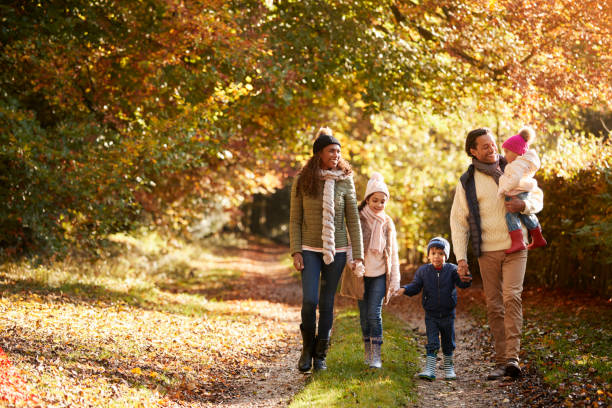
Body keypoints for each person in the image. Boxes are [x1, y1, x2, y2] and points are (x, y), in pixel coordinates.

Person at [450, 127, 543, 379]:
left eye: (493, 144)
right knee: (494, 306)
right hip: (487, 251)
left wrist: (524, 204)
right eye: (485, 146)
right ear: (473, 151)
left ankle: (512, 359)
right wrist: (460, 258)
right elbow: (459, 221)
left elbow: (537, 196)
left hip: (516, 247)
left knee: (512, 297)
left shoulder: (513, 167)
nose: (492, 149)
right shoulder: (467, 182)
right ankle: (502, 361)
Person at [290, 127, 364, 372]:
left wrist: (359, 255)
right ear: (319, 153)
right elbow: (294, 219)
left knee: (327, 302)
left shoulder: (345, 180)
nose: (336, 155)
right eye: (331, 151)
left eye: (338, 151)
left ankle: (320, 355)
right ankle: (307, 349)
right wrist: (296, 251)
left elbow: (353, 218)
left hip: (338, 249)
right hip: (309, 248)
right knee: (310, 301)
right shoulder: (303, 179)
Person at [339, 172, 400, 369]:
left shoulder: (387, 223)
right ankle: (367, 349)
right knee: (364, 316)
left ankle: (376, 355)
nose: (379, 205)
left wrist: (395, 281)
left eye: (383, 201)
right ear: (367, 199)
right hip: (361, 275)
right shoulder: (358, 219)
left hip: (380, 275)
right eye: (375, 200)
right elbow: (349, 245)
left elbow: (393, 253)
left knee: (374, 314)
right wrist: (353, 263)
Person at [396, 237, 472, 380]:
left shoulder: (452, 270)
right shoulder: (423, 271)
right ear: (428, 255)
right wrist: (405, 289)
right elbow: (416, 286)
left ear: (446, 256)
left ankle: (449, 368)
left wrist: (466, 276)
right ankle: (430, 369)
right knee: (432, 342)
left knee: (448, 342)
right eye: (434, 253)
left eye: (441, 253)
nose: (437, 256)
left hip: (448, 314)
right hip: (431, 314)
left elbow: (463, 284)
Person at [497, 126, 547, 253]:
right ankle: (537, 237)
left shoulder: (517, 164)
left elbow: (515, 179)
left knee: (510, 216)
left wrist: (504, 189)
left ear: (516, 151)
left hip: (515, 191)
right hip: (522, 191)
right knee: (526, 216)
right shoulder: (522, 163)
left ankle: (518, 241)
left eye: (507, 151)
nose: (505, 155)